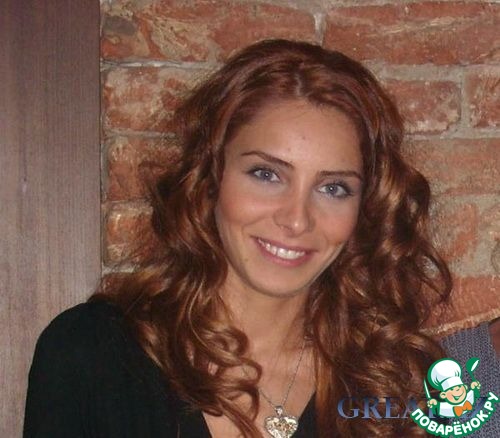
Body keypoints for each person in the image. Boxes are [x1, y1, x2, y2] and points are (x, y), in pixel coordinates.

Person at [24, 39, 495, 438]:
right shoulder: (92, 354)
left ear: (365, 209)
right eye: (266, 174)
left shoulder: (395, 381)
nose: (296, 219)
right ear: (210, 176)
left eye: (334, 188)